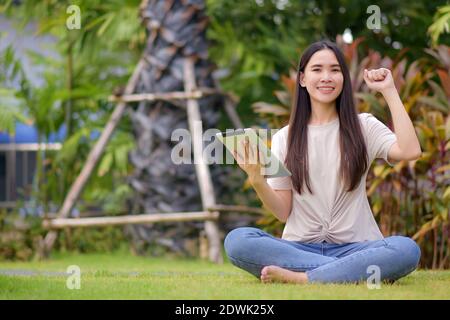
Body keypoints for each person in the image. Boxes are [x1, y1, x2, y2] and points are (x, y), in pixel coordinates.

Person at [224, 40, 422, 284]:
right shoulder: (284, 138)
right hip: (299, 249)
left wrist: (389, 91)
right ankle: (347, 273)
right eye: (317, 69)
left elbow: (410, 150)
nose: (326, 77)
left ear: (343, 78)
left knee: (406, 250)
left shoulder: (364, 127)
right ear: (303, 79)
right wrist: (256, 179)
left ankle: (304, 278)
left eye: (335, 70)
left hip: (357, 247)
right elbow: (283, 212)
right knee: (238, 240)